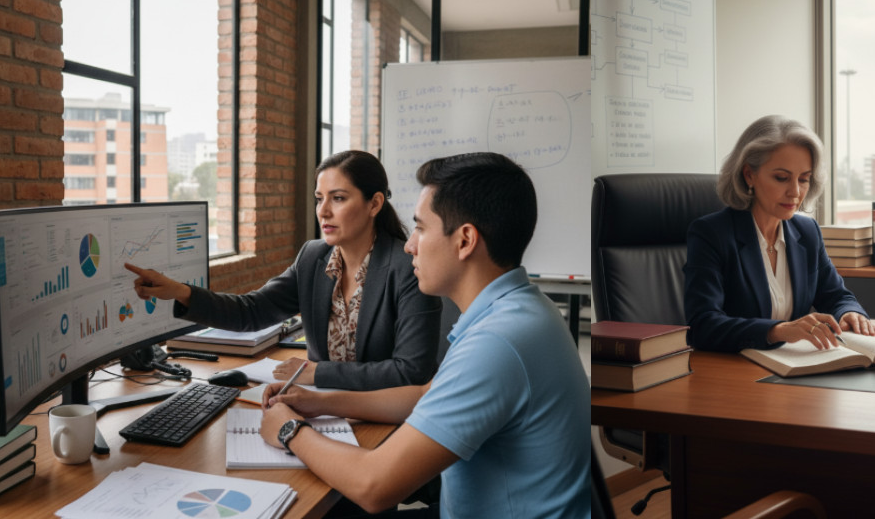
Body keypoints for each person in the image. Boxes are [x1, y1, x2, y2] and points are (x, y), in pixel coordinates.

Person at [256, 152, 590, 518]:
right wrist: (320, 402)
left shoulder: (496, 344)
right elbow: (424, 396)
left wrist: (290, 429)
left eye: (420, 228)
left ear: (464, 241)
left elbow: (374, 486)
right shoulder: (520, 309)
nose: (409, 244)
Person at [127, 150, 440, 390]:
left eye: (339, 199)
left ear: (374, 204)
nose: (324, 211)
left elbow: (411, 371)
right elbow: (252, 311)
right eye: (319, 199)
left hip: (383, 417)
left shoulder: (407, 268)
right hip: (322, 407)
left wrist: (317, 372)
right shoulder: (313, 258)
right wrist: (180, 292)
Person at [684, 115, 875, 353]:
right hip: (735, 372)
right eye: (782, 178)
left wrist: (849, 312)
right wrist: (777, 330)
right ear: (749, 175)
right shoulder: (712, 234)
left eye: (804, 179)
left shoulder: (807, 232)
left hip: (794, 368)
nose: (795, 192)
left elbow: (836, 295)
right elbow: (702, 325)